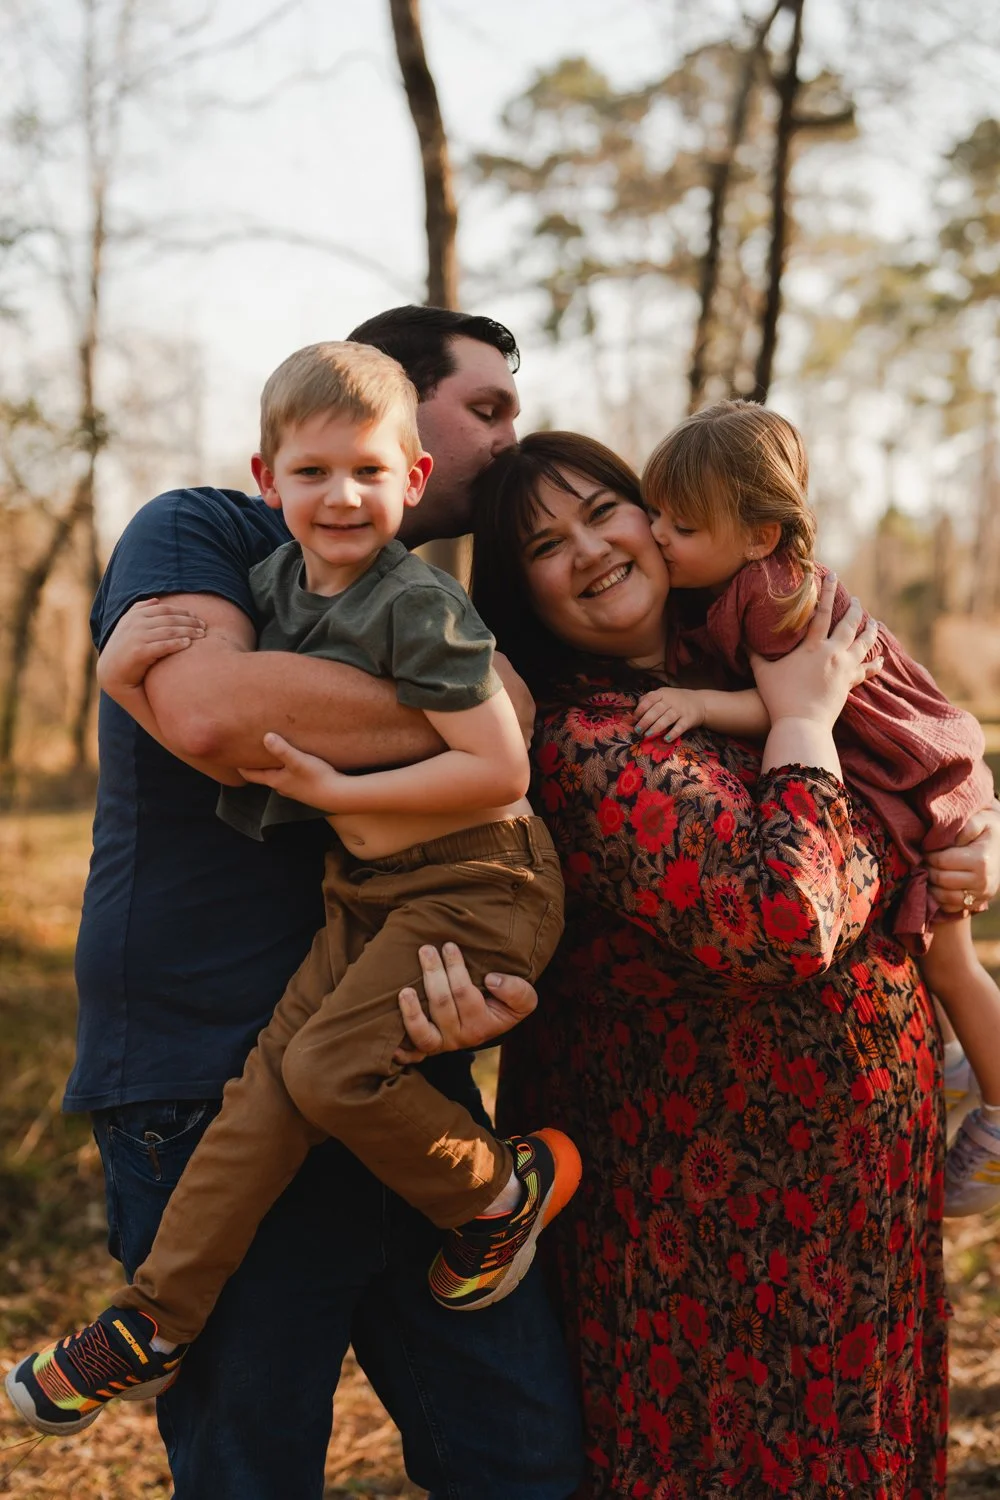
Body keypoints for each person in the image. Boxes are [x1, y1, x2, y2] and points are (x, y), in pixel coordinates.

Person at [6, 310, 583, 1500]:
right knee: (251, 1465)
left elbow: (499, 751)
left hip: (397, 1053)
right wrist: (134, 676)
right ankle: (144, 1322)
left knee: (519, 1456)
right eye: (485, 406)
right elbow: (218, 713)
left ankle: (495, 1195)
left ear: (402, 473)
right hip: (203, 1063)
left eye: (361, 475)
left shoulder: (426, 596)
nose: (511, 433)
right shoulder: (206, 529)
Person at [392, 428, 1000, 1496]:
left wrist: (963, 834)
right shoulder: (584, 742)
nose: (588, 548)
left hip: (856, 1204)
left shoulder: (739, 656)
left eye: (603, 509)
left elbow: (909, 764)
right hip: (708, 1233)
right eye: (544, 544)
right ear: (517, 591)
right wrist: (813, 729)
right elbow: (784, 920)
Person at [634, 399, 1000, 1215]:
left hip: (921, 774)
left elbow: (789, 705)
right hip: (912, 765)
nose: (658, 534)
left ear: (759, 534)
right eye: (656, 514)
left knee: (952, 960)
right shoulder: (740, 580)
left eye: (681, 526)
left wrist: (697, 703)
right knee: (942, 958)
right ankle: (960, 1063)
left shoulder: (768, 591)